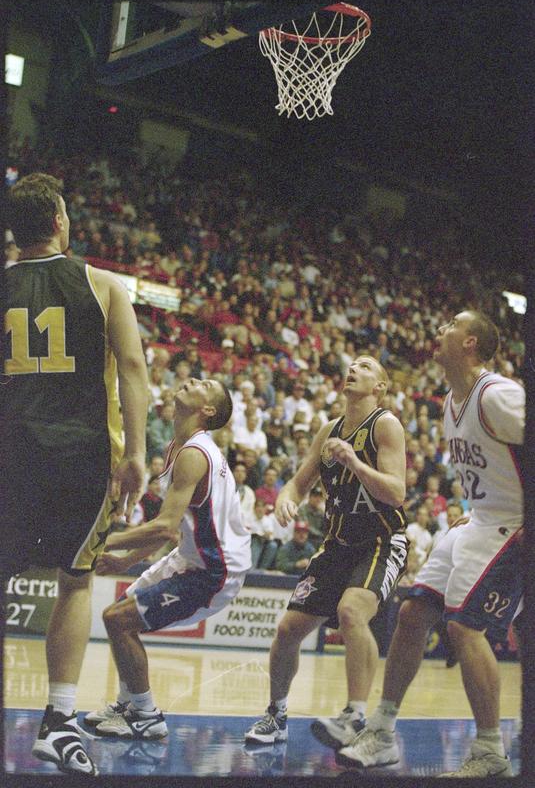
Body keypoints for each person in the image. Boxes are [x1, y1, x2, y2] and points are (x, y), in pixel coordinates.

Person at [1, 172, 148, 775]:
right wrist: (137, 453)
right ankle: (59, 721)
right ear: (60, 222)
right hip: (80, 454)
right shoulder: (103, 284)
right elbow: (132, 368)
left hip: (10, 450)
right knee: (75, 581)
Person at [336, 310, 524, 778]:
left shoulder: (497, 395)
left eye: (452, 325)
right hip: (480, 520)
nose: (440, 330)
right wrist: (474, 505)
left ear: (471, 343)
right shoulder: (450, 401)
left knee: (464, 628)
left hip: (513, 525)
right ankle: (381, 732)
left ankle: (490, 752)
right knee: (413, 613)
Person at [244, 355, 408, 748]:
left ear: (380, 387)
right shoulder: (328, 430)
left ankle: (355, 715)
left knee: (352, 611)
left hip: (381, 541)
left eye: (365, 367)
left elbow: (396, 492)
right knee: (287, 631)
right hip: (337, 545)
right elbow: (298, 483)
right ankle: (276, 715)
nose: (353, 369)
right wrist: (287, 499)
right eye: (352, 364)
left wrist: (354, 461)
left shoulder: (385, 424)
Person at [84, 378, 251, 738]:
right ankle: (130, 703)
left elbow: (163, 527)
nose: (192, 379)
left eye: (203, 384)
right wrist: (126, 561)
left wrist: (102, 541)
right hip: (191, 555)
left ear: (207, 410)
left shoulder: (194, 455)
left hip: (215, 571)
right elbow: (170, 530)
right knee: (120, 615)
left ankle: (147, 715)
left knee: (117, 619)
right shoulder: (179, 447)